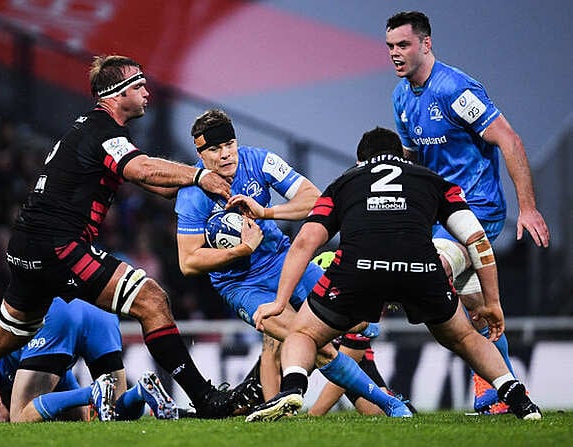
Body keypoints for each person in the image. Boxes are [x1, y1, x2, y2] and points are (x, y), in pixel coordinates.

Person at [0, 54, 235, 424]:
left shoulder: (90, 130)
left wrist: (186, 187)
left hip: (26, 246)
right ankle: (206, 400)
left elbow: (143, 177)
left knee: (2, 339)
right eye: (138, 85)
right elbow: (140, 167)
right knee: (152, 301)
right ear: (115, 93)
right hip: (60, 246)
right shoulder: (103, 131)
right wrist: (198, 176)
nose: (146, 92)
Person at [245, 127, 542, 422]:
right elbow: (476, 239)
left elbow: (304, 242)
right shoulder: (434, 181)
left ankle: (294, 387)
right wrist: (493, 302)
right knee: (464, 336)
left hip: (358, 271)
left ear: (361, 161)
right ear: (403, 157)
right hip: (421, 269)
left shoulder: (343, 183)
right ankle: (517, 396)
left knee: (303, 332)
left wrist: (280, 301)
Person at [174, 109, 411, 417]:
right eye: (214, 150)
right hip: (242, 285)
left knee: (362, 320)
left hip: (284, 261)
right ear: (200, 153)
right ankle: (390, 405)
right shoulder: (193, 194)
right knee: (316, 346)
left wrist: (266, 213)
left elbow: (314, 198)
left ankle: (271, 400)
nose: (225, 155)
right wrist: (241, 250)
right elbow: (188, 262)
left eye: (229, 144)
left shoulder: (258, 160)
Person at [385, 11, 550, 414]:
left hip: (478, 211)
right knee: (476, 309)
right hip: (440, 216)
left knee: (434, 266)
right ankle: (502, 393)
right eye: (390, 46)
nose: (395, 54)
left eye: (403, 45)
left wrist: (526, 208)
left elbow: (509, 141)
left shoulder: (456, 89)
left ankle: (488, 387)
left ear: (426, 44)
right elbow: (411, 162)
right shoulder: (401, 97)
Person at [0, 298, 177, 423]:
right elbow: (79, 420)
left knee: (20, 418)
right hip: (100, 308)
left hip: (57, 309)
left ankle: (93, 391)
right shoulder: (58, 379)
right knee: (115, 409)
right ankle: (141, 391)